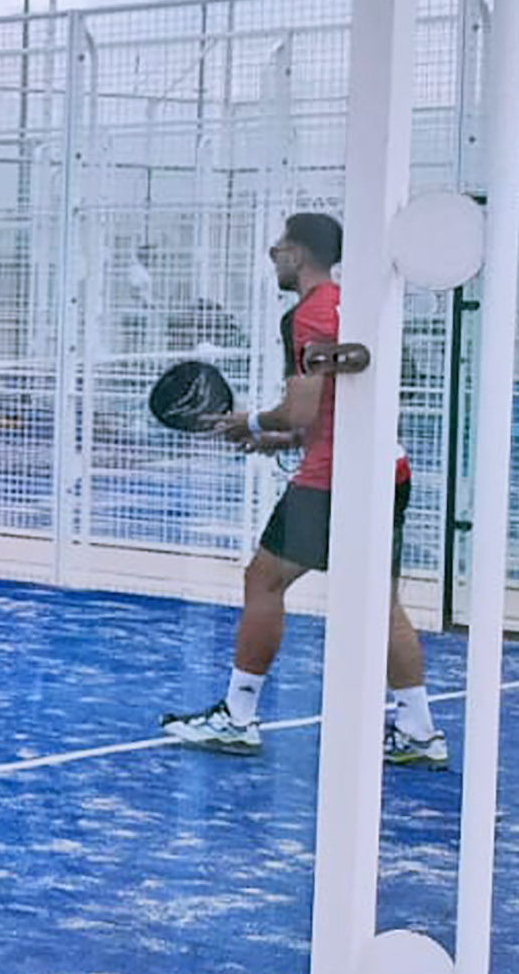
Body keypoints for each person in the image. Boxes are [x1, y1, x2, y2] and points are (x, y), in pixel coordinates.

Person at [161, 212, 447, 767]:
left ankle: (238, 718)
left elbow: (303, 406)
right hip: (386, 470)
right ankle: (418, 730)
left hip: (334, 480)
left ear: (299, 253)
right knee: (380, 603)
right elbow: (333, 407)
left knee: (262, 580)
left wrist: (255, 422)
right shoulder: (353, 304)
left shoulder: (311, 314)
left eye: (280, 245)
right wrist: (285, 438)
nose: (272, 253)